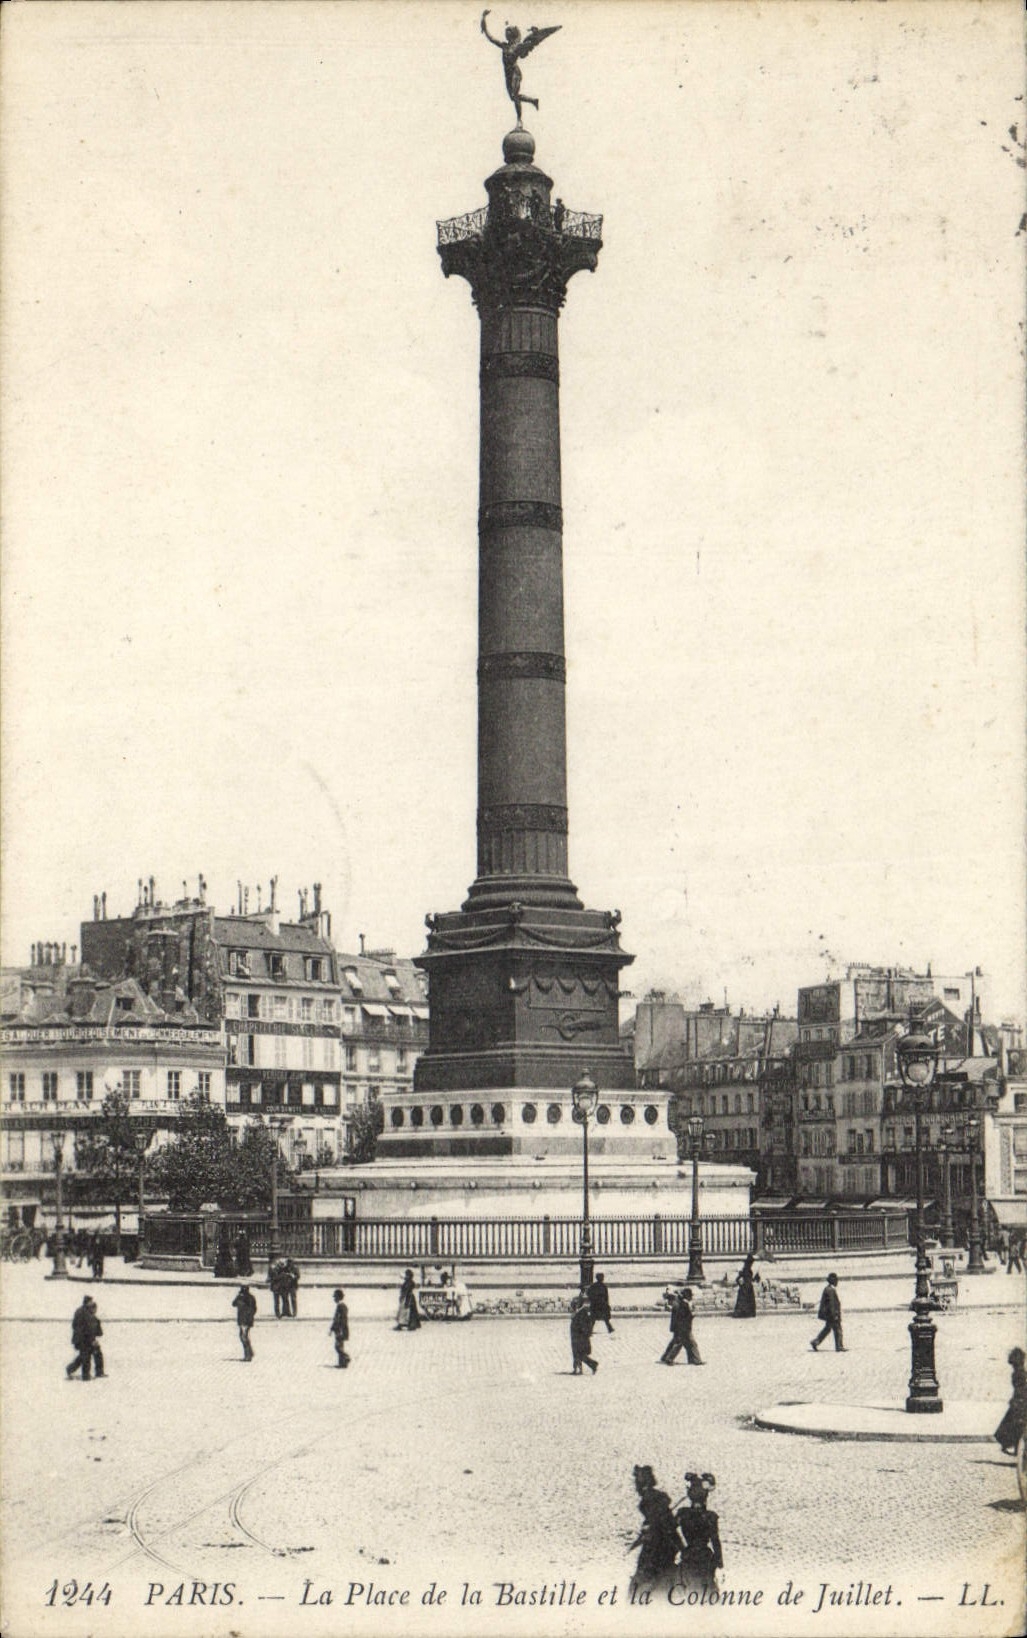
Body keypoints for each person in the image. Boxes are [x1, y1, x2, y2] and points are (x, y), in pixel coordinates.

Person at [628, 1466, 680, 1591]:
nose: (635, 1488)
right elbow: (670, 1524)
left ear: (641, 1484)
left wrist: (649, 1529)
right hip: (666, 1546)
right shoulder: (657, 1498)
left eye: (636, 1483)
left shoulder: (647, 1500)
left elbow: (664, 1524)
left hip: (656, 1548)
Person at [675, 1473, 723, 1593]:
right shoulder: (710, 1517)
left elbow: (670, 1530)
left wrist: (681, 1549)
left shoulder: (683, 1514)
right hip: (705, 1559)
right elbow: (715, 1541)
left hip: (688, 1556)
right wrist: (720, 1564)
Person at [994, 1347, 1027, 1456]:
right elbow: (1021, 1389)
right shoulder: (1020, 1373)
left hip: (1017, 1401)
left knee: (1013, 1425)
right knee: (1018, 1427)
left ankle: (1009, 1446)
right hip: (1020, 1402)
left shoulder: (1016, 1373)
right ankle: (1017, 1449)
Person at [660, 1286, 703, 1366]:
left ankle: (665, 1357)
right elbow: (684, 1317)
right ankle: (670, 1359)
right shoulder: (683, 1304)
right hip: (683, 1328)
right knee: (684, 1344)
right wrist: (692, 1314)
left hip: (678, 1327)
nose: (692, 1297)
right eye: (691, 1296)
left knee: (679, 1343)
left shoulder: (679, 1302)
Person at [66, 1295, 104, 1381]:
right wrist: (89, 1340)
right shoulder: (81, 1312)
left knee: (89, 1355)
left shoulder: (89, 1312)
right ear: (87, 1302)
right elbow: (79, 1327)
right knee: (85, 1357)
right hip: (82, 1340)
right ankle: (85, 1375)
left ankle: (99, 1372)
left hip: (89, 1339)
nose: (92, 1303)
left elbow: (94, 1326)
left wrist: (94, 1337)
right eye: (90, 1301)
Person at [811, 1272, 845, 1351]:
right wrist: (835, 1315)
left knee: (827, 1329)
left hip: (829, 1315)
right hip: (832, 1315)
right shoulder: (830, 1290)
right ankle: (839, 1346)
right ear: (833, 1281)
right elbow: (831, 1304)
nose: (837, 1282)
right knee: (838, 1330)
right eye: (836, 1280)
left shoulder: (828, 1289)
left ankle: (815, 1342)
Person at [570, 1293, 598, 1375]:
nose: (573, 1306)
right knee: (576, 1354)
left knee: (580, 1354)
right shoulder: (577, 1312)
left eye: (575, 1304)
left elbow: (585, 1326)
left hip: (580, 1337)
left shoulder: (582, 1312)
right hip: (575, 1336)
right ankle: (577, 1369)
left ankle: (593, 1364)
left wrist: (584, 1334)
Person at [232, 1284, 257, 1362]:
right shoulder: (251, 1298)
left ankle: (248, 1355)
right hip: (248, 1320)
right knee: (244, 1336)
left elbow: (233, 1304)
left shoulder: (241, 1298)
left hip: (243, 1320)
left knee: (243, 1337)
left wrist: (238, 1296)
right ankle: (250, 1353)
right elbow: (254, 1309)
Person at [732, 1253, 760, 1318]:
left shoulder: (746, 1269)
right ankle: (747, 1313)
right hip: (747, 1286)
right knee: (747, 1300)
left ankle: (743, 1313)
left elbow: (740, 1278)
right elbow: (748, 1278)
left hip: (745, 1286)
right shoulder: (747, 1269)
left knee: (743, 1300)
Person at [329, 1288, 350, 1368]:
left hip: (341, 1330)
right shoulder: (340, 1306)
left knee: (338, 1346)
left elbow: (340, 1319)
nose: (334, 1299)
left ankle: (346, 1357)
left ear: (338, 1297)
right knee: (340, 1346)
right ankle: (342, 1363)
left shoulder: (341, 1306)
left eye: (335, 1297)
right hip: (340, 1329)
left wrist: (340, 1330)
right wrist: (332, 1329)